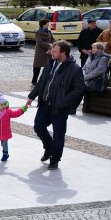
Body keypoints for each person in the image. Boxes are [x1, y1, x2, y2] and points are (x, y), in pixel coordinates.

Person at [26, 40, 85, 170]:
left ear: (63, 53)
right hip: (45, 103)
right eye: (52, 50)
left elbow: (79, 90)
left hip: (60, 108)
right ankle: (49, 148)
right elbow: (42, 81)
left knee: (59, 134)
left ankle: (55, 159)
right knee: (38, 127)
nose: (51, 52)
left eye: (54, 51)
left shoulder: (74, 69)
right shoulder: (50, 63)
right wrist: (32, 96)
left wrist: (63, 102)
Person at [32, 18, 54, 85]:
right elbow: (39, 42)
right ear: (44, 24)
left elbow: (52, 39)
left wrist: (55, 43)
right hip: (40, 51)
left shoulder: (49, 31)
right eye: (47, 22)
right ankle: (34, 80)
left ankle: (46, 79)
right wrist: (48, 45)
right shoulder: (38, 32)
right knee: (37, 65)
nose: (49, 24)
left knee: (48, 66)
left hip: (48, 51)